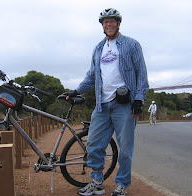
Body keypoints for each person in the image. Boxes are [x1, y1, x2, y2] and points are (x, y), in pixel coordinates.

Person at [63, 8, 149, 196]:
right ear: (102, 25)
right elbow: (92, 75)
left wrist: (139, 100)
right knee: (93, 144)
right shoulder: (98, 48)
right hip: (102, 105)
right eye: (105, 22)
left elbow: (141, 74)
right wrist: (76, 90)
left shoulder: (132, 45)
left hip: (125, 105)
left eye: (112, 21)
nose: (108, 25)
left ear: (119, 23)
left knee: (125, 148)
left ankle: (121, 185)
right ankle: (97, 182)